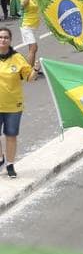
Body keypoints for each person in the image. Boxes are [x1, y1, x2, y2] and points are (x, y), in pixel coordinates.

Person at [0, 27, 38, 178]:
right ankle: (0, 158)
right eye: (0, 37)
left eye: (5, 38)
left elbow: (29, 77)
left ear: (10, 40)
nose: (2, 40)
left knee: (11, 136)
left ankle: (10, 164)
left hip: (13, 106)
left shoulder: (17, 58)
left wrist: (35, 70)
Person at [18, 0, 41, 67]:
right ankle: (29, 71)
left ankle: (30, 67)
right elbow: (24, 4)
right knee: (33, 48)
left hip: (34, 26)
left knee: (33, 49)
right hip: (26, 26)